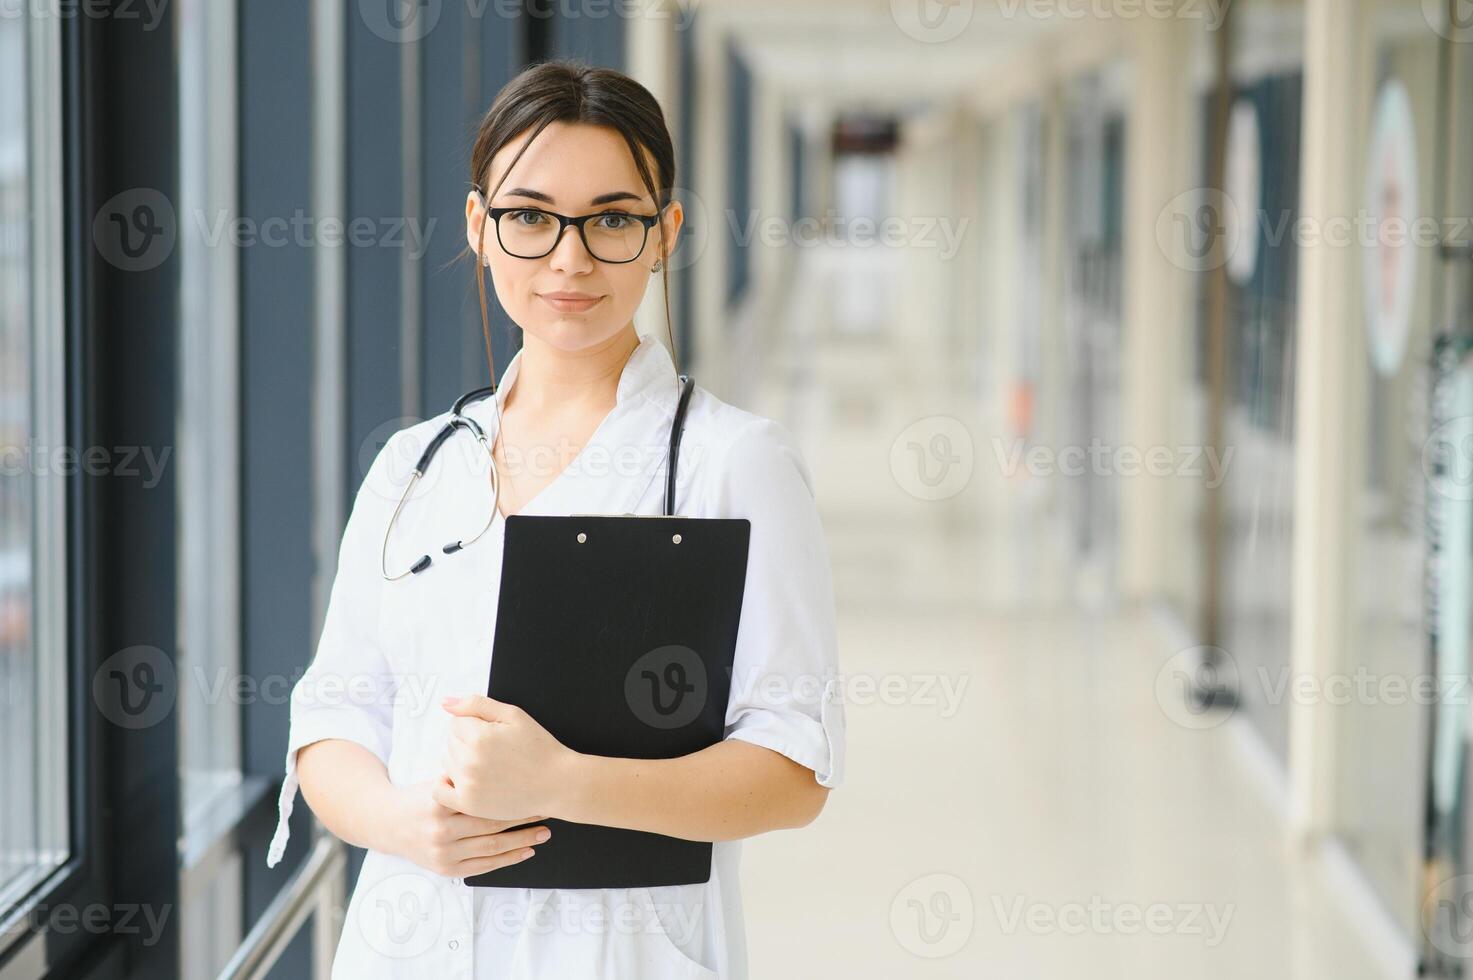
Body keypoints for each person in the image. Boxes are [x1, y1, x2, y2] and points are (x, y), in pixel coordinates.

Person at [266, 59, 846, 979]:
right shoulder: (414, 466)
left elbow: (793, 767)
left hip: (619, 952)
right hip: (405, 938)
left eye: (612, 218)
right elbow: (334, 711)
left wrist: (560, 783)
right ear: (478, 227)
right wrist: (401, 822)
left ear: (664, 235)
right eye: (530, 216)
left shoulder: (733, 462)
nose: (569, 258)